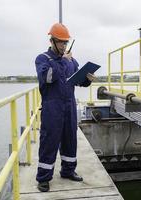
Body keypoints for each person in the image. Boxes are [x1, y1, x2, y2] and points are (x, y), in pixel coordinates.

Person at [35, 23, 95, 192]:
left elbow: (80, 80)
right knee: (49, 141)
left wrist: (88, 78)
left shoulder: (71, 61)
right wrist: (62, 60)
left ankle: (68, 171)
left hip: (69, 105)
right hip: (51, 106)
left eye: (65, 42)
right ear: (52, 41)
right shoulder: (43, 59)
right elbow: (47, 77)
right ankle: (44, 178)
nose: (63, 45)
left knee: (70, 139)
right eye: (60, 42)